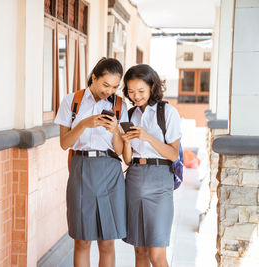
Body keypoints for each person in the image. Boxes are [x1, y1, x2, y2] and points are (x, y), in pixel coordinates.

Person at [54, 58, 128, 267]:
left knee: (107, 242)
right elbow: (64, 143)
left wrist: (115, 131)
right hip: (81, 168)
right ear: (94, 77)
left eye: (114, 87)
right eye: (105, 85)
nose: (109, 91)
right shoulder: (72, 101)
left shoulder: (119, 105)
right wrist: (84, 124)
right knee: (82, 240)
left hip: (110, 170)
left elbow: (121, 150)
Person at [121, 64, 181, 267]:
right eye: (130, 92)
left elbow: (173, 154)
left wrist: (147, 137)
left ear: (152, 87)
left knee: (156, 253)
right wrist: (126, 141)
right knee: (139, 250)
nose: (135, 96)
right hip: (135, 179)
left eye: (140, 91)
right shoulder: (129, 115)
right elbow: (128, 160)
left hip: (160, 180)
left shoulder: (167, 112)